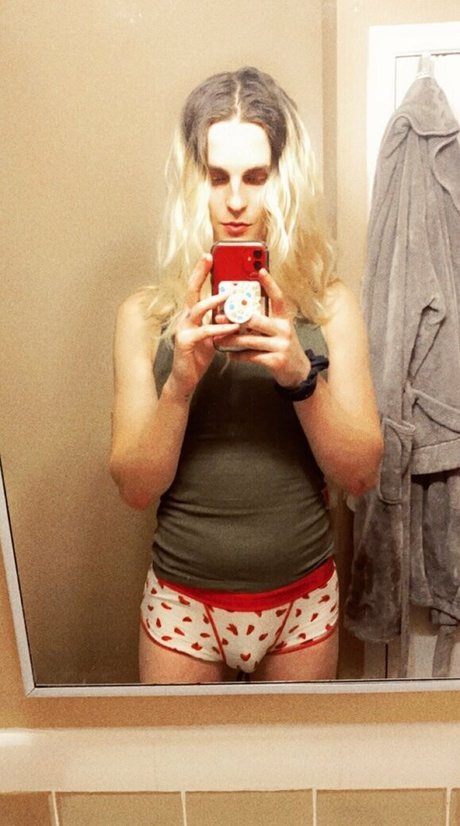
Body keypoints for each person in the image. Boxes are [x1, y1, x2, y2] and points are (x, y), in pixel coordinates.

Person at [110, 67, 383, 685]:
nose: (236, 201)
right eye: (217, 177)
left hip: (303, 602)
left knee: (297, 754)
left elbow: (362, 474)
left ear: (283, 182)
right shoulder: (144, 317)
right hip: (183, 605)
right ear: (194, 184)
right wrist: (180, 384)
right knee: (177, 754)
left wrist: (300, 376)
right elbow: (135, 489)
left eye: (256, 177)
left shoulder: (329, 306)